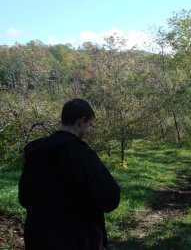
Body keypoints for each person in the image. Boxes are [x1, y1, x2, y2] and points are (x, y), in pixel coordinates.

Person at [18, 98, 120, 250]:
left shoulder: (35, 152)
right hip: (77, 240)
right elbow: (110, 198)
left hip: (37, 239)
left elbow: (24, 198)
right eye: (89, 124)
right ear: (82, 121)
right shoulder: (82, 154)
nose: (88, 129)